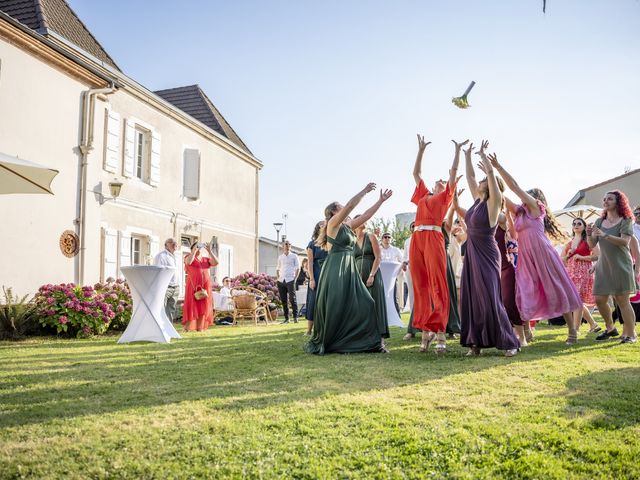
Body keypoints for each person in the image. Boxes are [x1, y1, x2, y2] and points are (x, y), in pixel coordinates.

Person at [488, 154, 583, 345]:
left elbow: (514, 188)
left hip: (543, 253)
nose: (523, 198)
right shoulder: (519, 212)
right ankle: (526, 331)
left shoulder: (535, 208)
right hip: (526, 256)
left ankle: (572, 331)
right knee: (524, 292)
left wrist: (498, 168)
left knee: (556, 290)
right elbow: (501, 196)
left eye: (527, 195)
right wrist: (491, 178)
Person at [304, 183, 393, 354]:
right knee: (337, 306)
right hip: (336, 269)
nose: (345, 208)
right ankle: (335, 341)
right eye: (340, 207)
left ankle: (364, 341)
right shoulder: (333, 224)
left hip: (349, 269)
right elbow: (352, 205)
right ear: (333, 213)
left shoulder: (347, 226)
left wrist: (380, 201)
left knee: (366, 302)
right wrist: (365, 191)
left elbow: (366, 215)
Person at [457, 142, 520, 357]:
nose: (481, 182)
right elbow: (470, 178)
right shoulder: (477, 201)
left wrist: (486, 161)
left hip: (487, 253)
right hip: (472, 253)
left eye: (486, 181)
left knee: (490, 296)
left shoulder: (494, 205)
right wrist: (466, 156)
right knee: (472, 296)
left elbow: (492, 182)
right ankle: (476, 343)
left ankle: (509, 341)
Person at [409, 135, 462, 354]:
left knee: (437, 285)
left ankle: (440, 332)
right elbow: (416, 173)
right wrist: (420, 150)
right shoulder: (424, 195)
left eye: (444, 180)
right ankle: (425, 331)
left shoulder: (445, 197)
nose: (440, 179)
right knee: (420, 285)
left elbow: (452, 173)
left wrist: (457, 151)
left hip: (433, 237)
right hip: (417, 239)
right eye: (438, 179)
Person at [588, 190, 637, 343]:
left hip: (621, 264)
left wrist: (605, 235)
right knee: (599, 299)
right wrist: (590, 234)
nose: (606, 201)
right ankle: (610, 328)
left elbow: (624, 242)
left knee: (622, 300)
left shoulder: (626, 220)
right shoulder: (599, 221)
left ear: (618, 202)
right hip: (603, 265)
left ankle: (631, 334)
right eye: (604, 199)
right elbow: (592, 245)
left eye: (610, 199)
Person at [354, 216, 389, 349]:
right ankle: (363, 338)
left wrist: (371, 275)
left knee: (376, 304)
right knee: (361, 307)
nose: (363, 221)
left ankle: (380, 340)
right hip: (358, 276)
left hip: (372, 274)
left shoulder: (371, 236)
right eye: (359, 219)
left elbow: (378, 257)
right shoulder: (353, 241)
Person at [561, 217, 601, 334]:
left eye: (579, 223)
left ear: (584, 227)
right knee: (575, 300)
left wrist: (582, 257)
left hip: (584, 272)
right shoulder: (569, 242)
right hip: (571, 273)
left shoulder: (588, 240)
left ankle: (576, 329)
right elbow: (561, 259)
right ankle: (593, 324)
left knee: (578, 300)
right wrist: (568, 255)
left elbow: (597, 256)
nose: (576, 225)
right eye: (574, 224)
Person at [182, 241, 218, 332]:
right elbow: (188, 262)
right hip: (193, 286)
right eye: (196, 246)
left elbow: (216, 262)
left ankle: (200, 328)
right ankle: (187, 328)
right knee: (192, 305)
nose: (198, 248)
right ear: (192, 248)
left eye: (199, 247)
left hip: (205, 286)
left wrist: (210, 251)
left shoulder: (205, 259)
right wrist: (193, 251)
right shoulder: (188, 257)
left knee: (203, 306)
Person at [305, 221, 328, 336]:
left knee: (327, 301)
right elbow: (309, 263)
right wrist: (312, 279)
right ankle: (309, 330)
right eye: (322, 225)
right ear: (318, 229)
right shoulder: (312, 244)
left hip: (328, 274)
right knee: (313, 301)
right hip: (316, 274)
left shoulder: (330, 243)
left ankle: (324, 329)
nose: (324, 227)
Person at [154, 238, 179, 322]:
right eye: (171, 242)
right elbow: (158, 271)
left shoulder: (176, 256)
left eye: (175, 242)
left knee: (171, 310)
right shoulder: (161, 256)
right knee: (162, 308)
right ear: (166, 245)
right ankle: (160, 329)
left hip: (175, 286)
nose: (174, 243)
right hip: (165, 286)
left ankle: (168, 330)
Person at [276, 240, 300, 324]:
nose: (287, 245)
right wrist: (278, 278)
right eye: (285, 244)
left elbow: (297, 268)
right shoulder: (280, 257)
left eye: (288, 244)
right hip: (281, 280)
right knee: (283, 300)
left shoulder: (294, 256)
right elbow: (277, 268)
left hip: (290, 280)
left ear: (290, 246)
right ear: (283, 246)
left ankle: (295, 317)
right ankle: (287, 319)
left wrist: (295, 279)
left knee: (292, 299)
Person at [380, 232, 403, 313]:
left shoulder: (396, 250)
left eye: (389, 237)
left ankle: (397, 316)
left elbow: (402, 261)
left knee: (394, 296)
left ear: (391, 239)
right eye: (385, 237)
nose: (387, 239)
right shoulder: (378, 249)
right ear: (382, 239)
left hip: (392, 277)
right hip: (381, 277)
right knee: (381, 297)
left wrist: (398, 271)